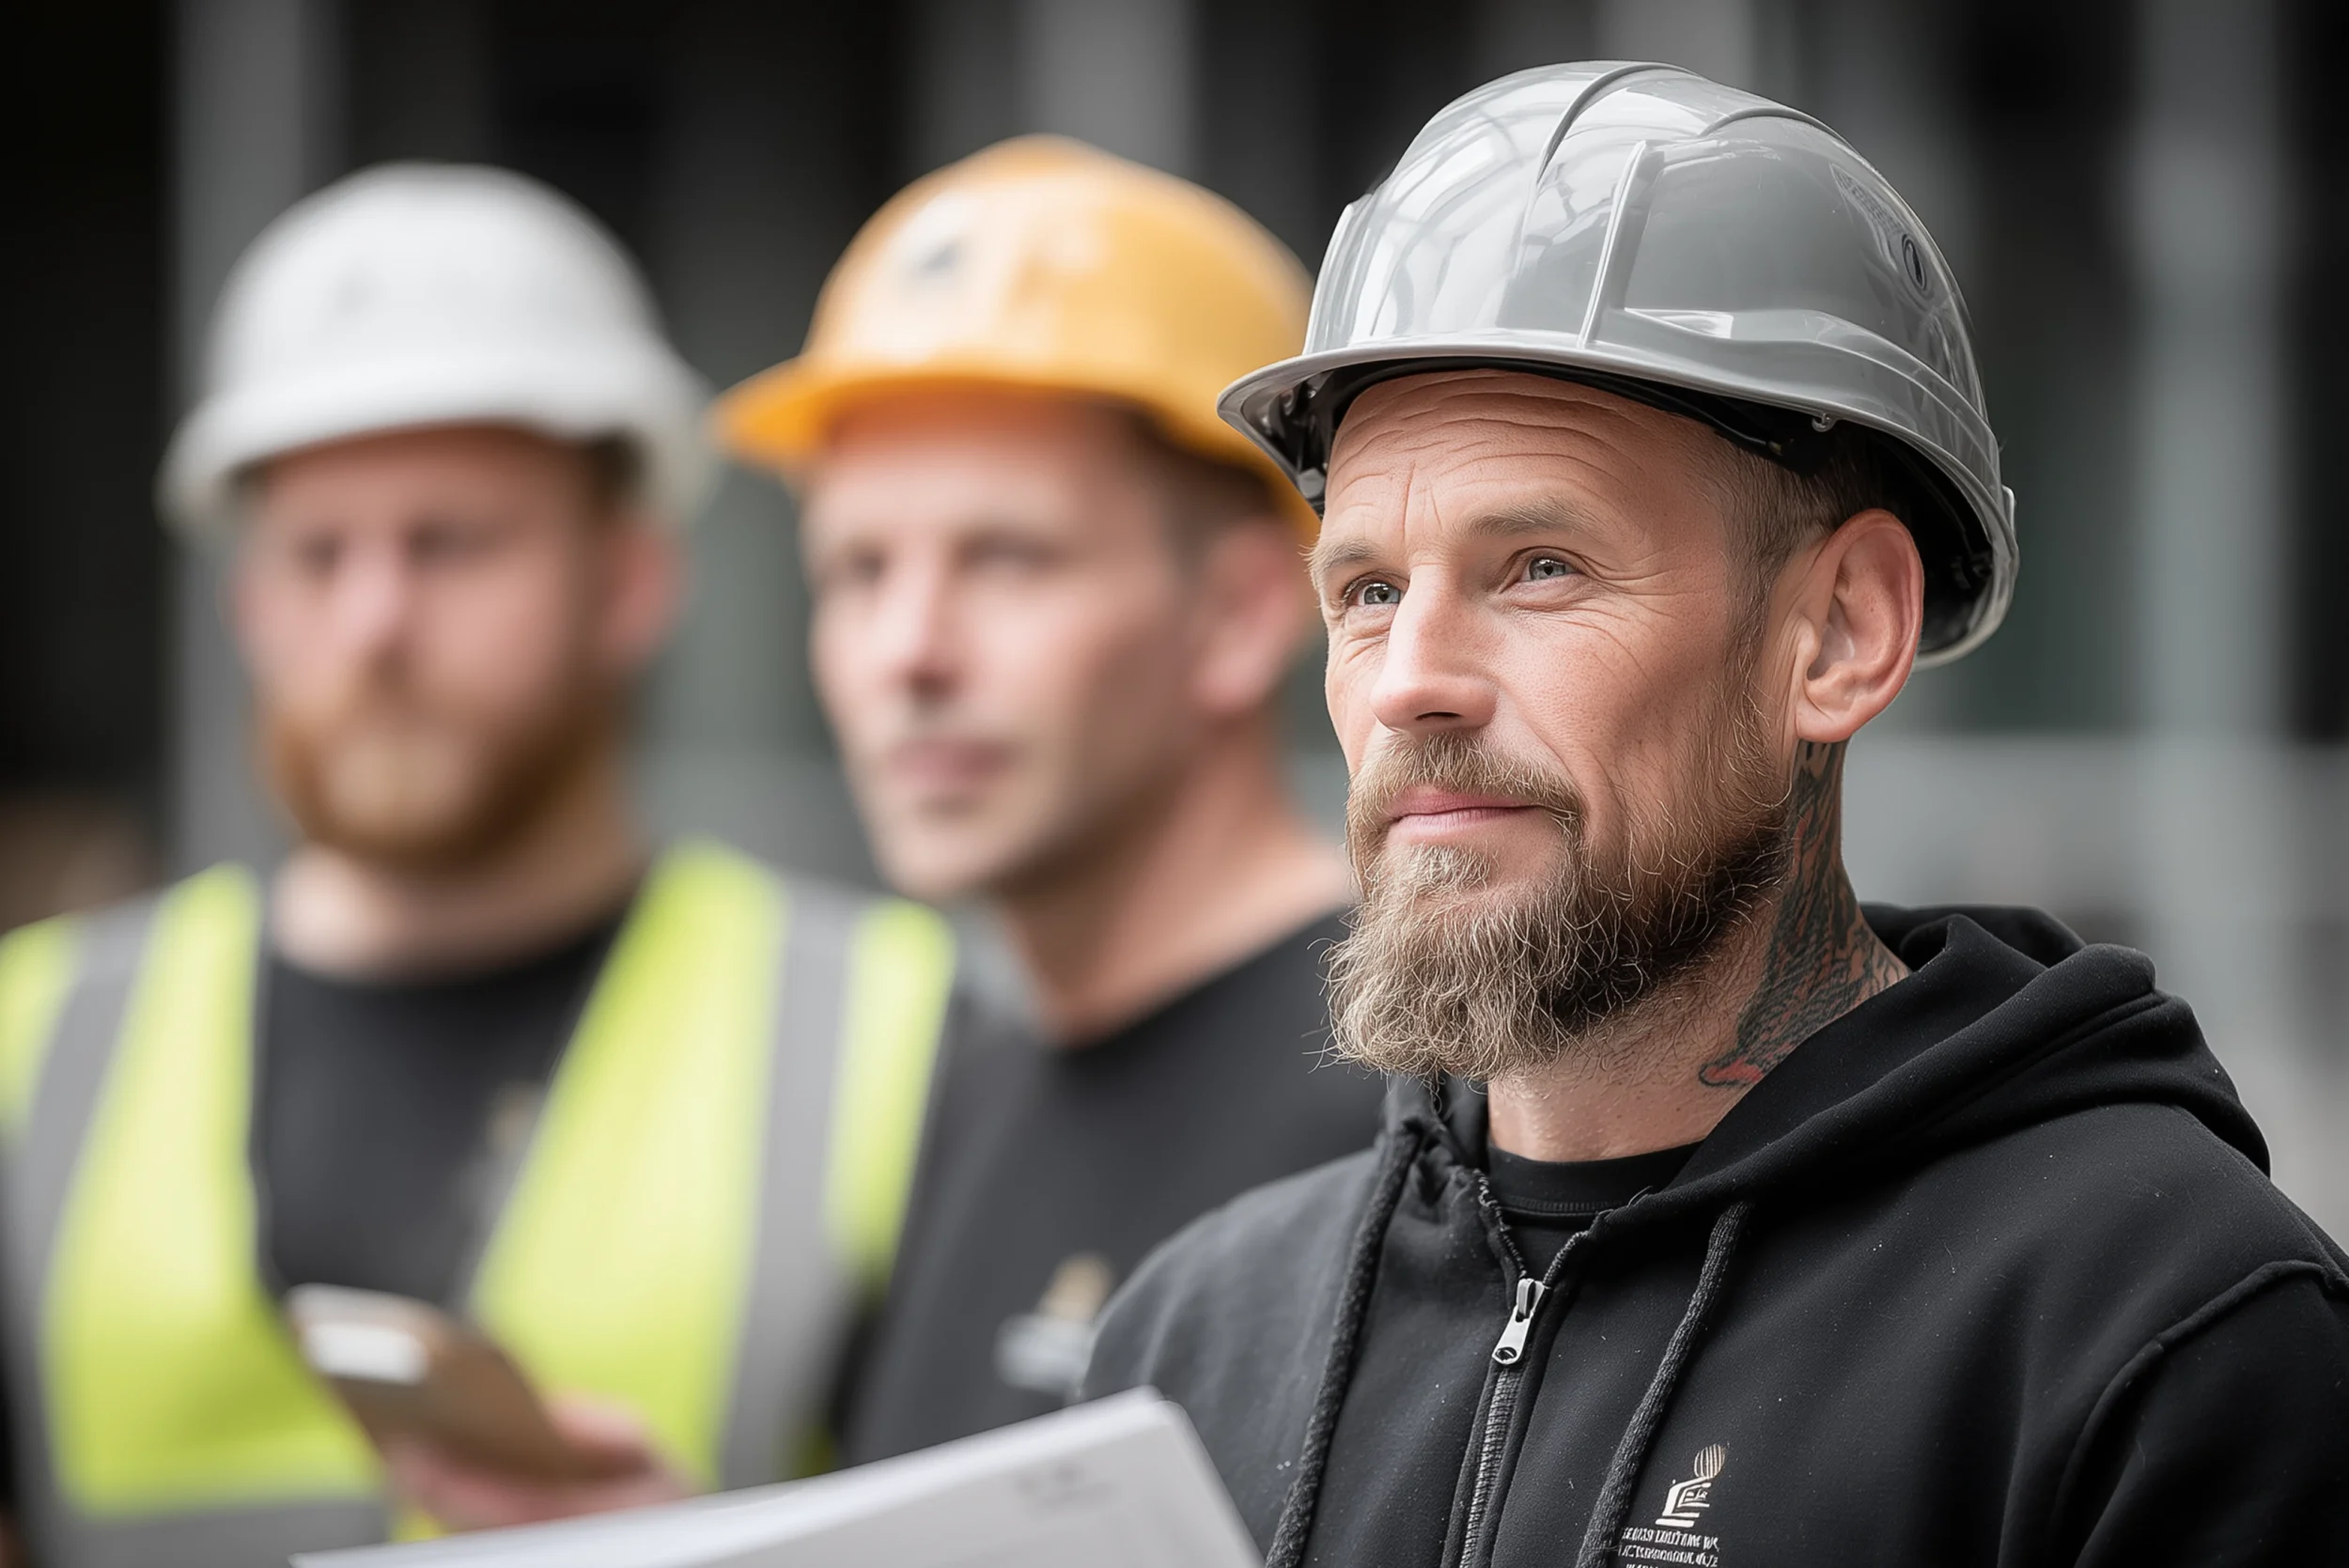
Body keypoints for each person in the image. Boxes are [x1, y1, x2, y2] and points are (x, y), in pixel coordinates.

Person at [1083, 63, 2349, 1568]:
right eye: (1366, 591)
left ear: (1837, 633)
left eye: (1539, 565)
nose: (1411, 681)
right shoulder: (1192, 1348)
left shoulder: (2159, 1330)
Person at [0, 164, 960, 1567]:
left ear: (630, 581)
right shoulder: (30, 1042)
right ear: (248, 606)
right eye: (320, 554)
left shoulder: (896, 1032)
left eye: (449, 545)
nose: (376, 621)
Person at [715, 136, 1385, 1461]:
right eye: (856, 571)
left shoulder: (1417, 1095)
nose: (909, 652)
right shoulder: (964, 1082)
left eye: (1007, 560)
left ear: (1246, 610)